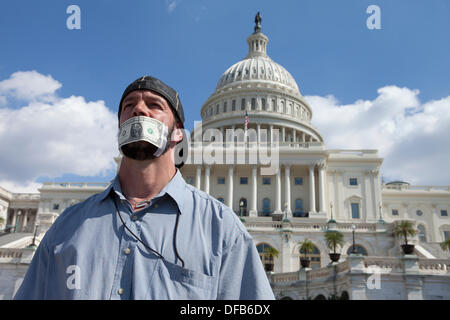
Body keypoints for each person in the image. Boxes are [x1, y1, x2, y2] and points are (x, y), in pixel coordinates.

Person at [14, 75, 275, 300]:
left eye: (154, 104)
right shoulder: (67, 226)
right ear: (120, 127)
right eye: (129, 106)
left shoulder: (222, 230)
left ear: (178, 134)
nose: (138, 110)